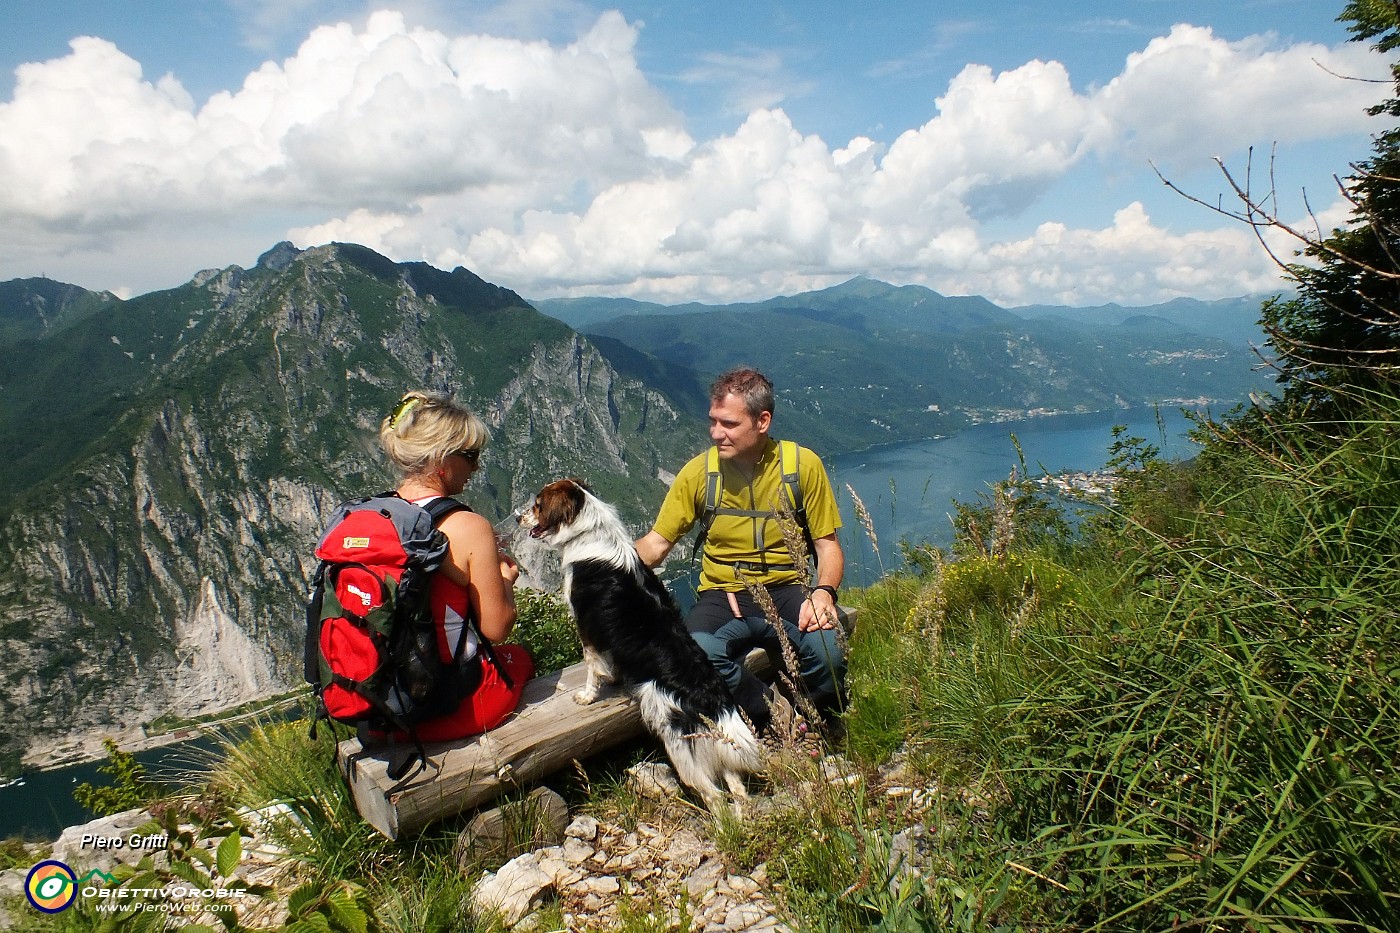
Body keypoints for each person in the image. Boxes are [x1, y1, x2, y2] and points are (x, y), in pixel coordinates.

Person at [635, 368, 846, 733]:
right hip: (723, 596)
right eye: (713, 421)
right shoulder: (699, 474)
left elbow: (828, 548)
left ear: (762, 421)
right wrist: (605, 562)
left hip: (789, 591)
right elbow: (655, 545)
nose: (716, 433)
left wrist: (824, 593)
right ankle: (775, 717)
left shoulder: (801, 467)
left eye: (729, 424)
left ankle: (820, 721)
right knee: (695, 657)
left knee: (829, 652)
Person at [378, 390, 534, 741]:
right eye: (471, 455)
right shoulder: (466, 526)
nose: (476, 466)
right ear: (442, 460)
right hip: (444, 706)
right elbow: (497, 629)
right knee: (519, 658)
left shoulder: (379, 514)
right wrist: (505, 578)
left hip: (381, 708)